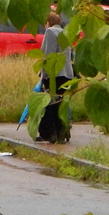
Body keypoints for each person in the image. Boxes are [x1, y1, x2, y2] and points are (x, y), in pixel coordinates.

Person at [36, 11, 73, 144]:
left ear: (48, 22)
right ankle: (62, 133)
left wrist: (45, 74)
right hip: (67, 74)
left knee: (50, 104)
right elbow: (71, 54)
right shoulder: (65, 33)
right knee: (61, 105)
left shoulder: (50, 32)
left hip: (55, 74)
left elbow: (49, 54)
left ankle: (48, 133)